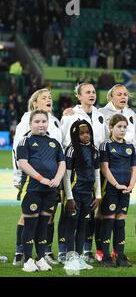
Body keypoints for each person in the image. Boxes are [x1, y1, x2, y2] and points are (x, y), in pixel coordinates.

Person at [12, 89, 63, 266]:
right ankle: (20, 253)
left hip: (52, 181)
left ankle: (44, 253)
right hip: (32, 180)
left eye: (50, 97)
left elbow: (59, 152)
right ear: (34, 104)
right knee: (27, 216)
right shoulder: (26, 121)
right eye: (44, 98)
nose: (49, 100)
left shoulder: (54, 121)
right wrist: (18, 177)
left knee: (48, 217)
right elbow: (17, 153)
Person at [60, 83, 107, 263]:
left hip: (92, 169)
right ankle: (64, 251)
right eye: (87, 92)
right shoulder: (70, 114)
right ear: (78, 96)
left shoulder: (100, 115)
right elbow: (64, 140)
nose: (92, 94)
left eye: (94, 91)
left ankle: (83, 252)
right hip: (73, 173)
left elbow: (100, 141)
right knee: (68, 214)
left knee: (86, 217)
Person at [97, 84, 136, 261]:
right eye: (119, 127)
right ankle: (106, 255)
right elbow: (104, 167)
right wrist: (116, 184)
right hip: (112, 187)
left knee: (121, 221)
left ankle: (120, 255)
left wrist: (130, 185)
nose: (122, 129)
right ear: (111, 127)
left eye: (124, 127)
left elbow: (134, 168)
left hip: (126, 189)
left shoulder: (130, 147)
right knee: (108, 220)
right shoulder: (106, 145)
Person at [62, 120, 100, 271]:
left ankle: (78, 258)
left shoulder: (94, 150)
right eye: (82, 133)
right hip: (75, 193)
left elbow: (97, 174)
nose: (86, 136)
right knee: (72, 225)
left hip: (88, 194)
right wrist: (69, 198)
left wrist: (97, 195)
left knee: (83, 225)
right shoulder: (71, 150)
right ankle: (70, 258)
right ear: (75, 135)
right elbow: (66, 175)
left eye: (88, 132)